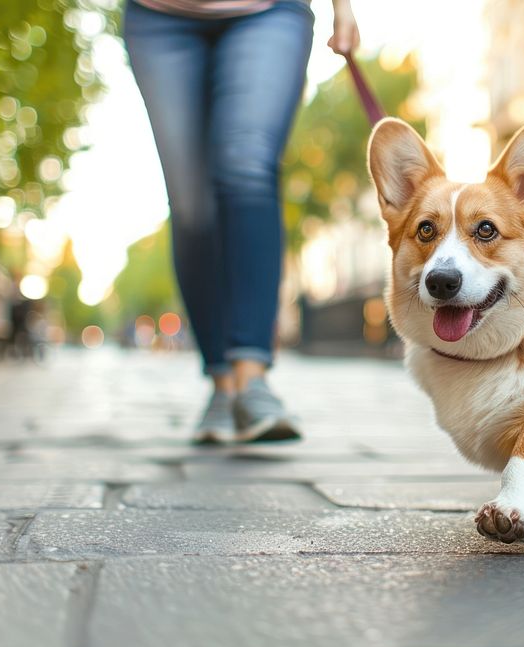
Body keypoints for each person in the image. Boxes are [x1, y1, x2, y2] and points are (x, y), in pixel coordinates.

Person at [123, 0, 359, 442]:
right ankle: (221, 383)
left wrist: (341, 7)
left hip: (269, 10)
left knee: (247, 167)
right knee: (192, 206)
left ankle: (252, 378)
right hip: (159, 17)